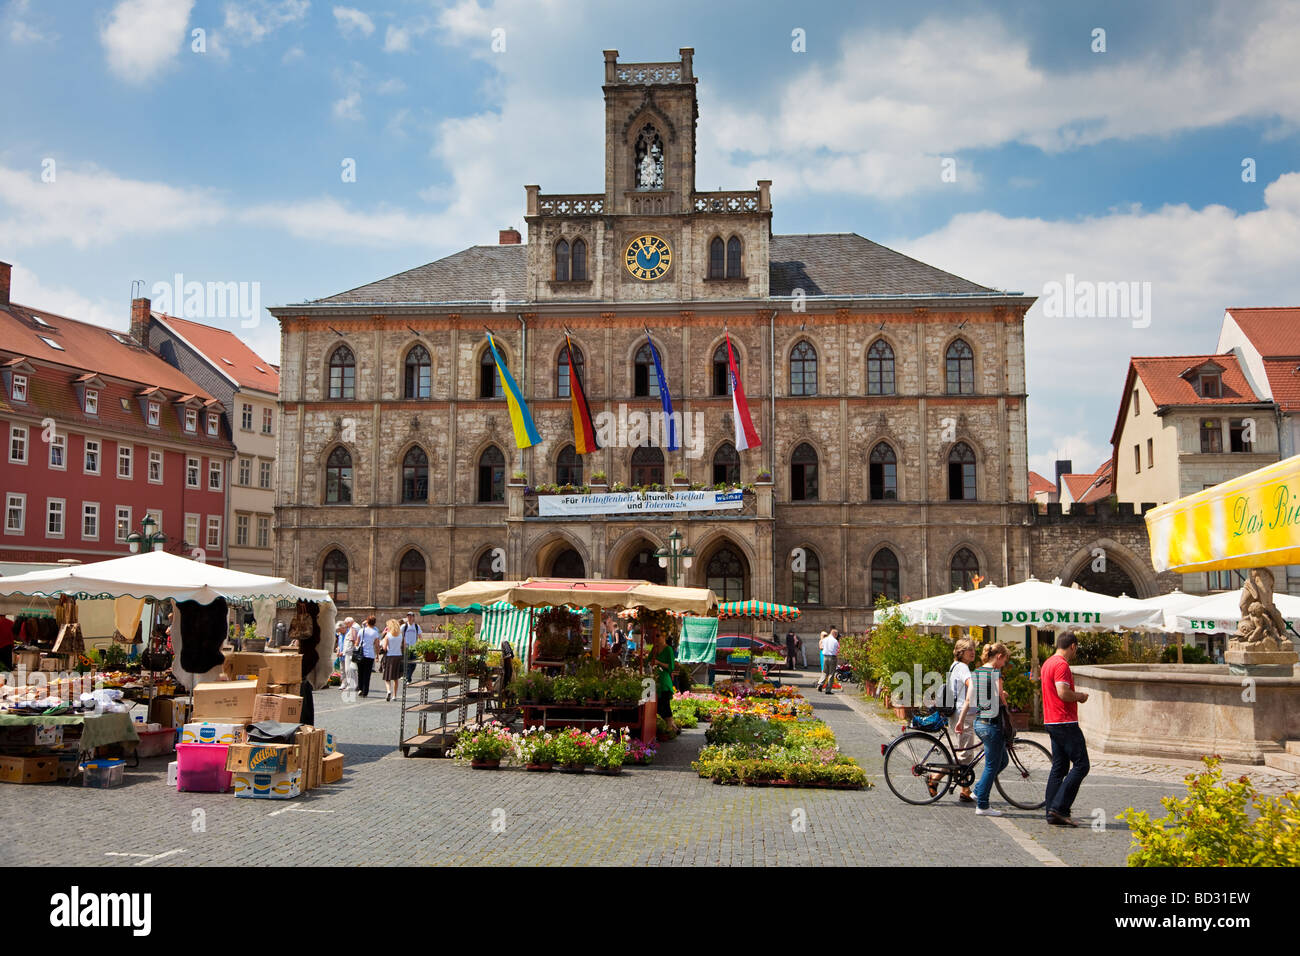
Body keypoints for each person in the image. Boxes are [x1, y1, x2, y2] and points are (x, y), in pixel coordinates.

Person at [957, 642, 1011, 816]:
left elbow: (968, 700)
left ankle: (978, 790)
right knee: (991, 765)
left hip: (979, 723)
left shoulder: (977, 673)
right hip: (992, 724)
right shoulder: (995, 673)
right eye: (1005, 660)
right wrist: (1006, 701)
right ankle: (983, 805)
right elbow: (1001, 698)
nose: (1004, 664)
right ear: (999, 657)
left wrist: (960, 721)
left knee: (1002, 760)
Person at [1042, 632, 1090, 827]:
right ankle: (1059, 808)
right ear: (1073, 646)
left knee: (1059, 767)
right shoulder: (1061, 665)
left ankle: (1051, 812)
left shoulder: (1047, 663)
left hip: (1051, 720)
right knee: (1081, 765)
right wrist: (1079, 696)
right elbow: (1062, 692)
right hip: (1064, 721)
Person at [939, 637, 978, 802]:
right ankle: (935, 777)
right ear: (961, 652)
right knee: (965, 753)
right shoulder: (963, 667)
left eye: (974, 649)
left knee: (965, 751)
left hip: (958, 712)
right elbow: (971, 686)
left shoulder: (955, 666)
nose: (973, 652)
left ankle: (965, 790)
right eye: (970, 650)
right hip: (964, 713)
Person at [651, 629, 677, 733]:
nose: (656, 638)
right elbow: (649, 661)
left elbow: (671, 667)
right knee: (657, 707)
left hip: (664, 682)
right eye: (655, 636)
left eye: (658, 636)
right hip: (654, 682)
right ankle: (672, 728)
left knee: (665, 706)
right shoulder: (654, 648)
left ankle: (671, 729)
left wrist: (658, 662)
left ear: (664, 637)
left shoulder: (668, 649)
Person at [380, 618, 406, 702]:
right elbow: (404, 646)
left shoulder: (388, 635)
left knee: (387, 677)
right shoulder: (401, 635)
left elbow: (384, 648)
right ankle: (394, 695)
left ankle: (388, 691)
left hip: (390, 656)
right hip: (398, 656)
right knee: (396, 677)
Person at [357, 616, 380, 698]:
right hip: (370, 655)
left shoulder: (361, 630)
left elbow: (357, 642)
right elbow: (377, 645)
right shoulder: (375, 632)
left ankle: (360, 688)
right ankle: (365, 691)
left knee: (360, 672)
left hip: (361, 654)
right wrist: (377, 655)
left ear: (367, 621)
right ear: (374, 623)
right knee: (367, 674)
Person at [340, 621, 360, 702]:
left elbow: (353, 639)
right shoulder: (355, 627)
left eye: (346, 624)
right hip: (350, 651)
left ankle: (351, 685)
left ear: (349, 622)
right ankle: (354, 684)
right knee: (351, 669)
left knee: (349, 669)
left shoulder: (353, 628)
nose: (346, 625)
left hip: (350, 652)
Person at [400, 611, 421, 683]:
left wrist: (421, 645)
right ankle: (408, 678)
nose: (409, 617)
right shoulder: (404, 626)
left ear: (413, 617)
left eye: (411, 616)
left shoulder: (416, 626)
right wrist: (402, 644)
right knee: (407, 663)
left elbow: (420, 636)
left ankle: (408, 676)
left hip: (414, 647)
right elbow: (400, 636)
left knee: (414, 663)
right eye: (408, 616)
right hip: (407, 647)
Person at [819, 629, 840, 695]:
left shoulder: (824, 640)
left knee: (825, 672)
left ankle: (820, 684)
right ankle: (828, 690)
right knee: (831, 673)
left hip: (825, 656)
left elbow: (821, 647)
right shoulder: (835, 641)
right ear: (835, 634)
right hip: (832, 657)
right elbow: (837, 649)